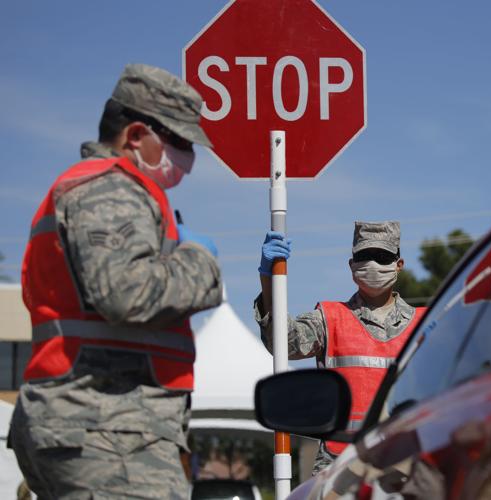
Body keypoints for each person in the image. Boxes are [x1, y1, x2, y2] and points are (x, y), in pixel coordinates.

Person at [10, 64, 223, 499]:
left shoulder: (92, 187)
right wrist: (199, 260)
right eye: (178, 141)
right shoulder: (112, 189)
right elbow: (126, 294)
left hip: (95, 423)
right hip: (107, 427)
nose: (188, 157)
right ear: (135, 136)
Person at [254, 221, 426, 474]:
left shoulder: (426, 324)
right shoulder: (329, 317)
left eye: (382, 257)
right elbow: (282, 343)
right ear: (352, 265)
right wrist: (268, 280)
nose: (373, 264)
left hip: (405, 464)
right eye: (364, 256)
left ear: (398, 264)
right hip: (340, 465)